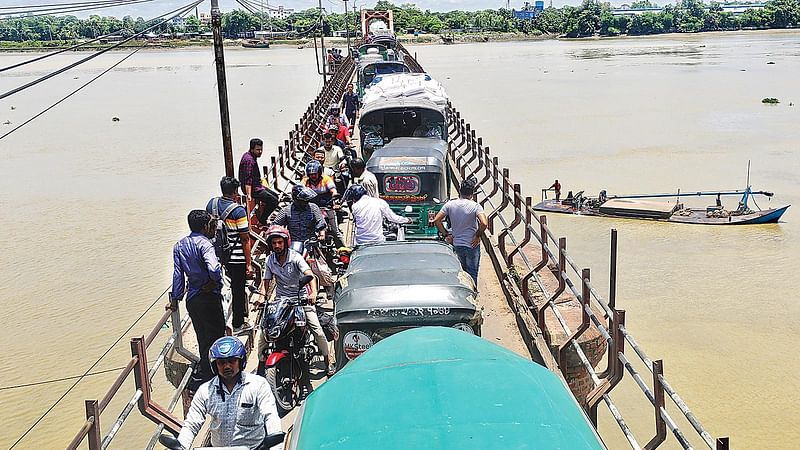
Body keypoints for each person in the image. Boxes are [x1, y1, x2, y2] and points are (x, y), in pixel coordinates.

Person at [177, 337, 281, 450]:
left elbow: (270, 416)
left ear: (241, 361)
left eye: (231, 361)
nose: (226, 366)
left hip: (254, 447)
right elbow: (192, 423)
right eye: (221, 362)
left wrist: (276, 446)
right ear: (215, 365)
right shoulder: (205, 391)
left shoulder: (258, 385)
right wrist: (182, 445)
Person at [260, 225, 334, 379]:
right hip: (281, 301)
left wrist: (312, 293)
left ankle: (328, 360)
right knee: (265, 332)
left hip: (301, 300)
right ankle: (262, 363)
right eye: (274, 243)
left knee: (317, 330)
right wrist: (262, 296)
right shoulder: (269, 260)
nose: (277, 246)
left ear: (285, 242)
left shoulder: (295, 257)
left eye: (279, 242)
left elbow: (310, 275)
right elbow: (266, 281)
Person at [168, 210, 226, 388]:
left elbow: (178, 276)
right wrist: (214, 281)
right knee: (217, 336)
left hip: (193, 299)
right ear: (205, 226)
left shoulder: (179, 246)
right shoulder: (205, 244)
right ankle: (221, 374)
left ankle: (208, 373)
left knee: (203, 337)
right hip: (209, 297)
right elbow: (215, 270)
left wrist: (175, 298)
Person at [206, 177, 252, 333]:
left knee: (217, 291)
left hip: (215, 257)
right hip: (236, 257)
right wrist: (249, 263)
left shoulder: (211, 205)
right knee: (237, 290)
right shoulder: (238, 210)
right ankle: (238, 324)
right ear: (235, 192)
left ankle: (218, 325)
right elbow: (245, 238)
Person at [433, 177, 488, 285]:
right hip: (472, 245)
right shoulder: (476, 206)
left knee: (460, 273)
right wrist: (477, 235)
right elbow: (484, 223)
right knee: (472, 273)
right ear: (472, 194)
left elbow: (437, 220)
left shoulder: (449, 205)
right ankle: (473, 296)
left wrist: (446, 234)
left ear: (459, 191)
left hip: (456, 244)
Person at [344, 184, 411, 245]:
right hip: (377, 241)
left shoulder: (355, 206)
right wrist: (406, 220)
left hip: (360, 242)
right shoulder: (379, 202)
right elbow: (393, 218)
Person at [303, 161, 344, 249]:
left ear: (319, 173)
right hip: (311, 210)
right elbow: (300, 189)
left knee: (335, 231)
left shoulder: (326, 179)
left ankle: (344, 252)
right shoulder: (306, 181)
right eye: (310, 174)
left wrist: (335, 200)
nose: (313, 176)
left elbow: (333, 190)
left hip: (327, 208)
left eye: (315, 174)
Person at [238, 138, 279, 217]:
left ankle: (262, 214)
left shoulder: (251, 156)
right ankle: (262, 220)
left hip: (257, 186)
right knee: (274, 201)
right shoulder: (249, 160)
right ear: (252, 149)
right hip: (253, 189)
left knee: (275, 196)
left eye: (261, 149)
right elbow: (248, 179)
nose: (260, 152)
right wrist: (248, 195)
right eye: (257, 150)